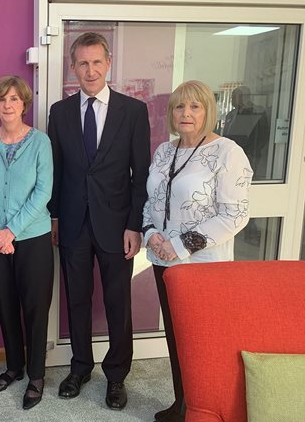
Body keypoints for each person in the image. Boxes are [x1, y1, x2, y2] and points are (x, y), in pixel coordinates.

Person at [48, 32, 151, 410]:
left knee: (117, 302)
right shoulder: (59, 113)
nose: (89, 70)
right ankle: (80, 367)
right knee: (76, 299)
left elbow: (141, 174)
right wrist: (55, 215)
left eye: (96, 62)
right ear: (73, 68)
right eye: (82, 63)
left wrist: (134, 225)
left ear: (108, 63)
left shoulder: (132, 111)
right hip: (73, 222)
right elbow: (56, 170)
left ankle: (117, 376)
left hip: (117, 225)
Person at [143, 80, 253, 422]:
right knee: (177, 336)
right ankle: (182, 403)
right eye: (179, 106)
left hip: (203, 265)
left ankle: (206, 408)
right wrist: (149, 234)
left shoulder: (227, 152)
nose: (186, 113)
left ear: (208, 111)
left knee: (202, 341)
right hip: (164, 261)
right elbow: (152, 201)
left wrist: (178, 245)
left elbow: (234, 214)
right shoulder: (164, 151)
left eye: (195, 106)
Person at [0, 76, 54, 410]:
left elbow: (43, 192)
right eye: (2, 99)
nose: (8, 105)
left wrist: (11, 232)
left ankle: (36, 375)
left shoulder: (41, 143)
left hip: (31, 239)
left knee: (34, 308)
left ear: (24, 104)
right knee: (5, 304)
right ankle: (13, 367)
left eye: (15, 99)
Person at [222, 86, 270, 180]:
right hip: (230, 153)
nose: (232, 99)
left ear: (244, 97)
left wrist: (252, 152)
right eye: (232, 97)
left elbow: (263, 135)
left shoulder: (257, 112)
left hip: (249, 154)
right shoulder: (231, 114)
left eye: (235, 97)